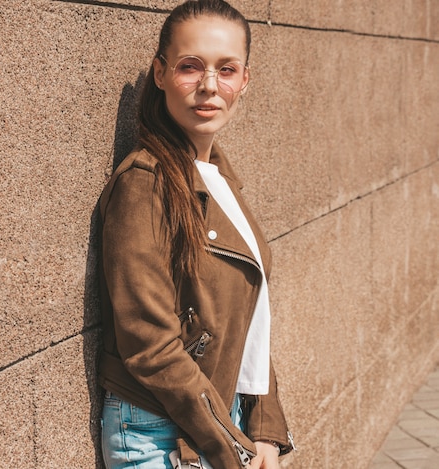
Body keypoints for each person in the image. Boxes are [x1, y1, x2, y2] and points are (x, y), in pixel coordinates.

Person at [97, 1, 294, 468]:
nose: (210, 86)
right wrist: (234, 448)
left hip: (218, 418)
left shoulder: (218, 180)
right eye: (191, 66)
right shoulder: (145, 181)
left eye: (227, 70)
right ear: (160, 73)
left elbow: (248, 322)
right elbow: (149, 343)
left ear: (244, 81)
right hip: (157, 430)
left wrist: (263, 426)